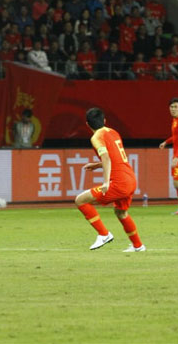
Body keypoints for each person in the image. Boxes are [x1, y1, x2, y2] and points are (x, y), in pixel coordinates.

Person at [74, 107, 145, 252]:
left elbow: (106, 157)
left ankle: (103, 234)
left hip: (119, 183)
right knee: (121, 212)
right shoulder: (113, 132)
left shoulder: (95, 138)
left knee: (80, 200)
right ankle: (138, 246)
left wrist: (106, 182)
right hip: (130, 179)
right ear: (104, 120)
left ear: (87, 125)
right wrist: (98, 165)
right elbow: (115, 158)